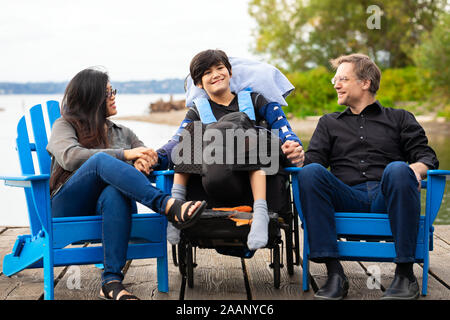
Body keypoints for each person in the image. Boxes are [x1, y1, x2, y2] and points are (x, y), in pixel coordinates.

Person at [47, 68, 207, 300]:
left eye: (113, 91)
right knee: (100, 160)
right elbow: (70, 157)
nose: (114, 96)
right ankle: (168, 206)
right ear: (92, 97)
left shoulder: (124, 132)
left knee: (114, 192)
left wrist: (143, 163)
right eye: (108, 92)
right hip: (66, 207)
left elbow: (146, 158)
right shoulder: (65, 125)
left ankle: (111, 282)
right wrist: (126, 155)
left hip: (110, 208)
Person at [297, 54, 439, 300]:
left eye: (342, 79)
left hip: (387, 197)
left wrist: (413, 169)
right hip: (346, 196)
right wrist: (296, 158)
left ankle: (405, 275)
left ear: (365, 83)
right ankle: (334, 274)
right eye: (335, 79)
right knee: (309, 172)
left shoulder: (400, 118)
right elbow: (313, 165)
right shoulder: (329, 123)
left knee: (397, 168)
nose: (335, 84)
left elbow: (427, 157)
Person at [159, 49, 305, 250]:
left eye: (220, 68)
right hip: (210, 185)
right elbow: (174, 143)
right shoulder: (198, 111)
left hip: (254, 183)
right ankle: (177, 206)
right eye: (207, 72)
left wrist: (292, 145)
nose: (216, 74)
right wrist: (154, 157)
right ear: (199, 83)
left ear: (230, 72)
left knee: (256, 133)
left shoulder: (256, 101)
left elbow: (285, 131)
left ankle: (261, 213)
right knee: (189, 135)